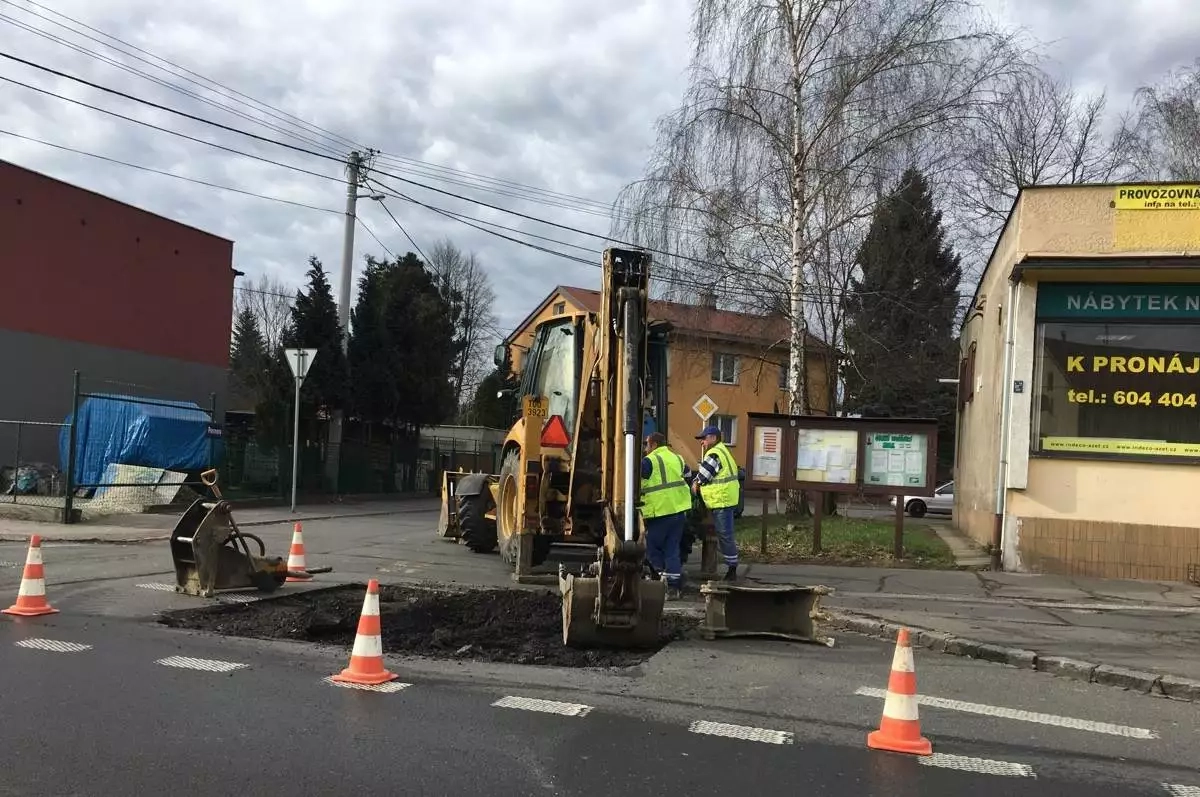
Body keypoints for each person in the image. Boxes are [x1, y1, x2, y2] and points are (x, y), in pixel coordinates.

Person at [640, 432, 692, 599]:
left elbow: (634, 479)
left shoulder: (648, 461)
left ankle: (661, 575)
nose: (646, 449)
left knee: (650, 545)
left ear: (654, 444)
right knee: (672, 548)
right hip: (679, 510)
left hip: (661, 511)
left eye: (647, 445)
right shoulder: (677, 458)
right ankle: (674, 586)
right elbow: (689, 475)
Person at [692, 425, 741, 581]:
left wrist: (695, 483)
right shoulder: (723, 451)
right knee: (723, 534)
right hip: (723, 500)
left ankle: (732, 569)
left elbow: (704, 476)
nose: (702, 443)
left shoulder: (714, 454)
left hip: (721, 501)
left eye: (704, 439)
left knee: (725, 534)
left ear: (713, 438)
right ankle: (730, 565)